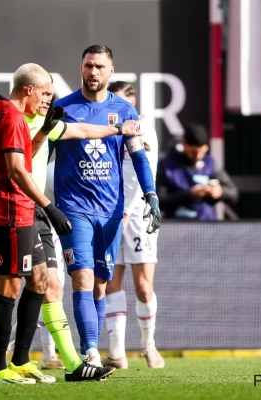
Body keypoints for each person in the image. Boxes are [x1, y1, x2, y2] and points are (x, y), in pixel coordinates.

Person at [0, 70, 137, 382]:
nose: (49, 101)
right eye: (45, 94)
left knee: (43, 283)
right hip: (13, 209)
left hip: (29, 210)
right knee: (1, 287)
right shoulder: (11, 117)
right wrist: (49, 206)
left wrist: (118, 128)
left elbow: (79, 131)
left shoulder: (9, 113)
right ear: (29, 90)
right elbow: (12, 168)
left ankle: (52, 363)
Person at [53, 45, 161, 367]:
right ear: (80, 68)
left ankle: (96, 348)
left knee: (100, 284)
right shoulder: (62, 108)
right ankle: (90, 353)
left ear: (111, 71)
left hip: (111, 210)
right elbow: (41, 154)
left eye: (99, 66)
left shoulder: (125, 110)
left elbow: (139, 157)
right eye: (88, 65)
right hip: (74, 206)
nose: (93, 72)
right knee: (82, 278)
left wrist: (151, 194)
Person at [103, 82, 164, 369]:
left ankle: (148, 345)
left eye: (122, 102)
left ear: (133, 103)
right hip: (112, 213)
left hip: (139, 215)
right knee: (111, 282)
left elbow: (138, 172)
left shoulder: (143, 129)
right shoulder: (108, 129)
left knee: (143, 286)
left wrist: (127, 211)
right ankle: (117, 352)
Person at [156, 124, 238, 220]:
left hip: (207, 224)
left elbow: (233, 193)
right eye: (194, 152)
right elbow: (158, 200)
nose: (198, 156)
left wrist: (220, 192)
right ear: (184, 144)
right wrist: (190, 195)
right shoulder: (167, 165)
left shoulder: (210, 163)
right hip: (177, 224)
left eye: (202, 152)